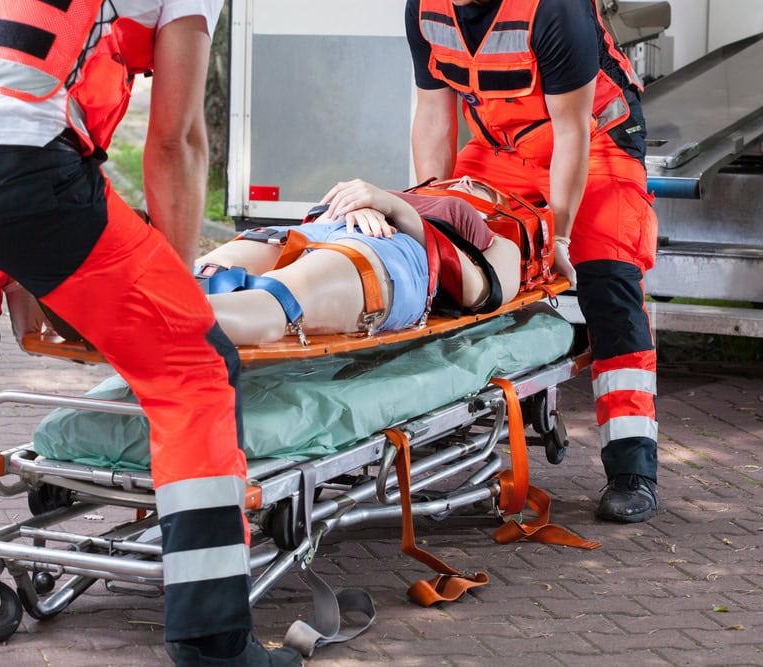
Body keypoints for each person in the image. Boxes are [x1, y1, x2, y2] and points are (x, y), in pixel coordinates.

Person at [0, 1, 300, 664]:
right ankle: (212, 640)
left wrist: (19, 269)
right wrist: (176, 292)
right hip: (16, 167)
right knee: (192, 362)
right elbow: (175, 141)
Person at [405, 0, 660, 522]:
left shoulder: (554, 8)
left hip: (596, 145)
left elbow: (572, 133)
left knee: (606, 282)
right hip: (501, 152)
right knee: (455, 269)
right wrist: (436, 209)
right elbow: (434, 114)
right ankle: (479, 418)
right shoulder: (425, 8)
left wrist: (559, 238)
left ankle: (633, 467)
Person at [197, 177, 521, 345]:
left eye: (480, 187)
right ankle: (155, 312)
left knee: (278, 298)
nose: (464, 178)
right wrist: (361, 202)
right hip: (320, 227)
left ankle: (156, 328)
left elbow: (482, 294)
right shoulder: (395, 194)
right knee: (203, 276)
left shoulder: (499, 241)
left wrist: (398, 210)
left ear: (493, 211)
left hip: (391, 251)